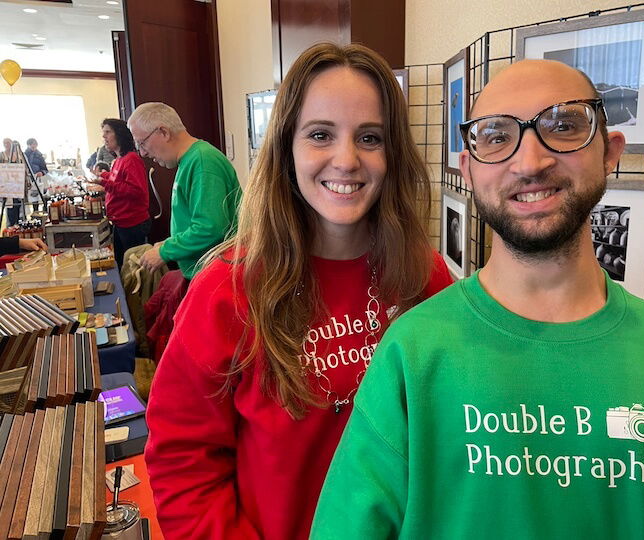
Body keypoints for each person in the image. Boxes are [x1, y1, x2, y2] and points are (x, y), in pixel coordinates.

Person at [311, 60, 644, 539]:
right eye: (496, 136)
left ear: (610, 153)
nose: (529, 163)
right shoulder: (412, 354)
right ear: (468, 169)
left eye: (564, 126)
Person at [144, 42, 454, 540]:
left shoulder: (425, 277)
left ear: (392, 153)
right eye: (320, 134)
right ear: (286, 147)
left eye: (370, 137)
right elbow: (184, 467)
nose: (346, 159)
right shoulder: (227, 292)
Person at [127, 102, 242, 279]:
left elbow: (210, 228)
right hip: (204, 274)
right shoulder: (189, 160)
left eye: (142, 143)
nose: (143, 153)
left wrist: (166, 251)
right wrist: (169, 243)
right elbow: (195, 221)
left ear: (163, 132)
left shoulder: (203, 161)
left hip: (216, 276)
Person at [88, 119, 150, 268]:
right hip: (121, 222)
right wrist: (102, 176)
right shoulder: (119, 160)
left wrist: (104, 183)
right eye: (103, 133)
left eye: (108, 132)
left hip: (132, 224)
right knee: (122, 264)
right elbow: (117, 179)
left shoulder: (131, 159)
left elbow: (135, 191)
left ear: (120, 134)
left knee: (133, 268)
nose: (104, 137)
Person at [1, 137, 23, 226]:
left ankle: (18, 223)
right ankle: (11, 225)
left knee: (18, 205)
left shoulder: (18, 155)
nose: (7, 145)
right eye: (5, 143)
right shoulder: (1, 155)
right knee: (9, 206)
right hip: (6, 185)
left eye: (8, 143)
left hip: (18, 184)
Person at [24, 138, 48, 210]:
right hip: (26, 178)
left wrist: (42, 172)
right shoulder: (24, 154)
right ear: (28, 145)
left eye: (35, 144)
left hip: (36, 179)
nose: (33, 146)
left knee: (35, 197)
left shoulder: (39, 155)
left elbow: (45, 169)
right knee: (25, 199)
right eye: (31, 144)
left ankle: (36, 213)